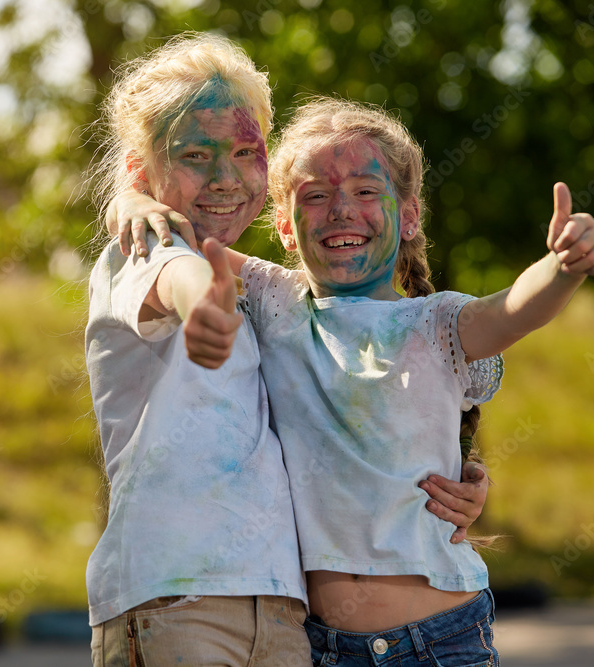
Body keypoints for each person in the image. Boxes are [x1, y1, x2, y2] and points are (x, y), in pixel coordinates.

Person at [86, 35, 488, 666]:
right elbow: (178, 280)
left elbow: (354, 411)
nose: (224, 177)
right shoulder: (146, 252)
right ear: (143, 170)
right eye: (195, 155)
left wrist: (444, 478)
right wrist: (202, 301)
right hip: (174, 597)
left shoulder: (275, 302)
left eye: (247, 152)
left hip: (283, 609)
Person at [178, 98, 594, 665]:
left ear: (409, 216)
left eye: (365, 191)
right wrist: (133, 201)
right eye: (315, 195)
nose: (340, 210)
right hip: (321, 647)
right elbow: (183, 235)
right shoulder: (276, 301)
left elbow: (512, 310)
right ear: (285, 226)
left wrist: (563, 266)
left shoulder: (434, 324)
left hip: (438, 640)